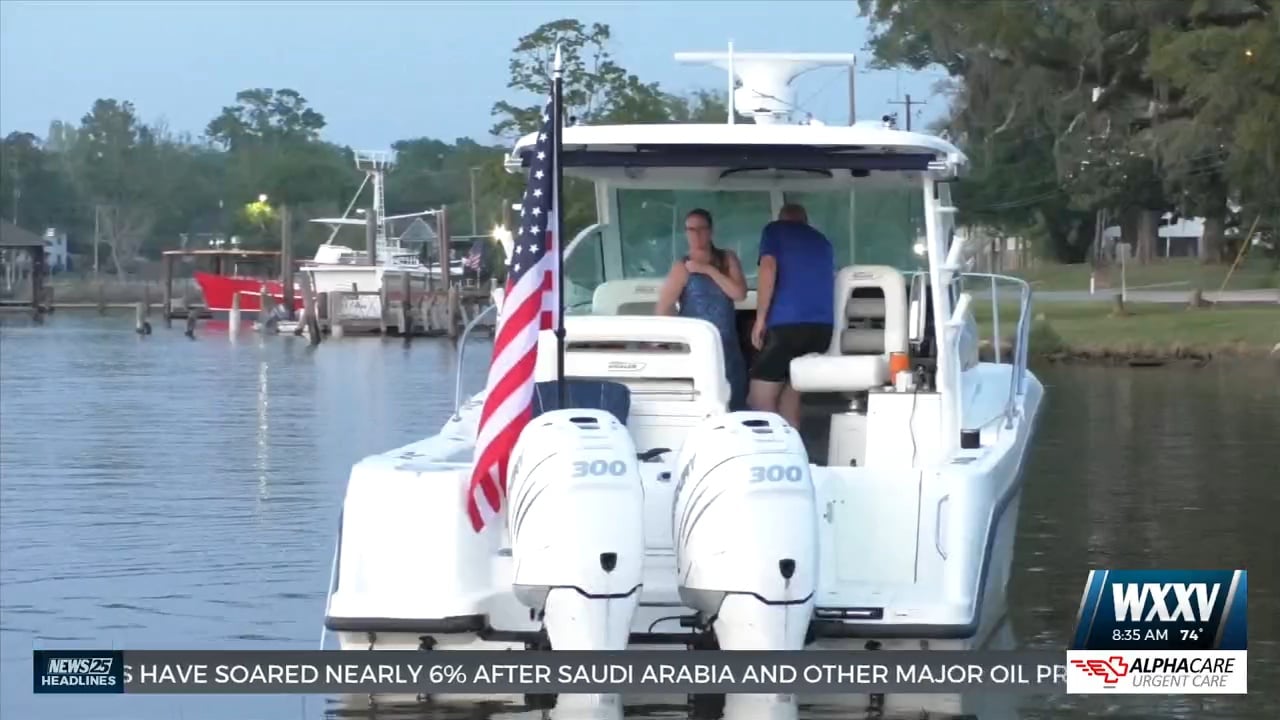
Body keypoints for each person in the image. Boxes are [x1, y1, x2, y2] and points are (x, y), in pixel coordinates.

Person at [748, 203, 836, 428]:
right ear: (805, 221)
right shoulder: (822, 241)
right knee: (790, 398)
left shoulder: (775, 231)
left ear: (781, 219)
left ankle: (771, 454)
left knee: (759, 399)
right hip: (821, 330)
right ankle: (795, 451)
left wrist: (760, 318)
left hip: (787, 326)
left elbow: (768, 268)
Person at [655, 208, 749, 411]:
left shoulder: (726, 258)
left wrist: (708, 270)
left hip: (728, 345)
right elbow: (664, 307)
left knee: (734, 398)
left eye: (701, 229)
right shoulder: (681, 266)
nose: (696, 235)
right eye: (691, 229)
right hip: (699, 347)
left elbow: (739, 293)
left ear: (710, 231)